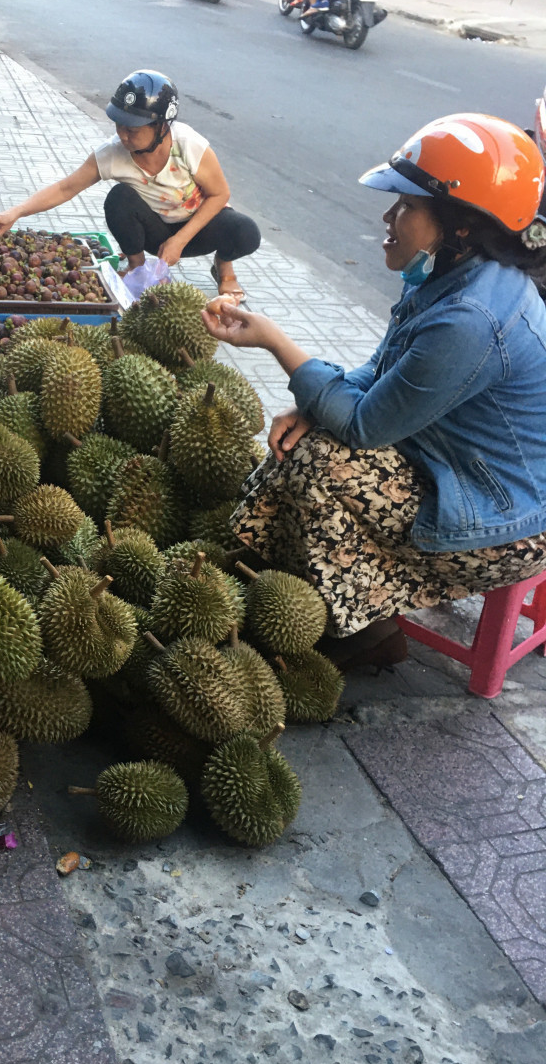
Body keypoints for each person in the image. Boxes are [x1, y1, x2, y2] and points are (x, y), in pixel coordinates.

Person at [200, 114, 546, 669]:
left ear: (460, 226)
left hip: (502, 523)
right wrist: (309, 401)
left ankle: (361, 632)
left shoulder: (473, 318)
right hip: (450, 467)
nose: (389, 217)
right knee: (307, 438)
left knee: (324, 463)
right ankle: (261, 586)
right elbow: (380, 371)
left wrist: (274, 343)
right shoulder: (451, 277)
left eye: (407, 205)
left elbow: (364, 425)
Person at [0, 70, 260, 302]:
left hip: (198, 227)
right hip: (155, 232)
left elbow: (220, 193)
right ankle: (137, 266)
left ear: (162, 125)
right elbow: (66, 188)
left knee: (247, 233)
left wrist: (181, 239)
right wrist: (14, 213)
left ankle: (223, 264)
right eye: (119, 125)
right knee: (119, 197)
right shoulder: (112, 154)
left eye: (133, 129)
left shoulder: (188, 144)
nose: (123, 135)